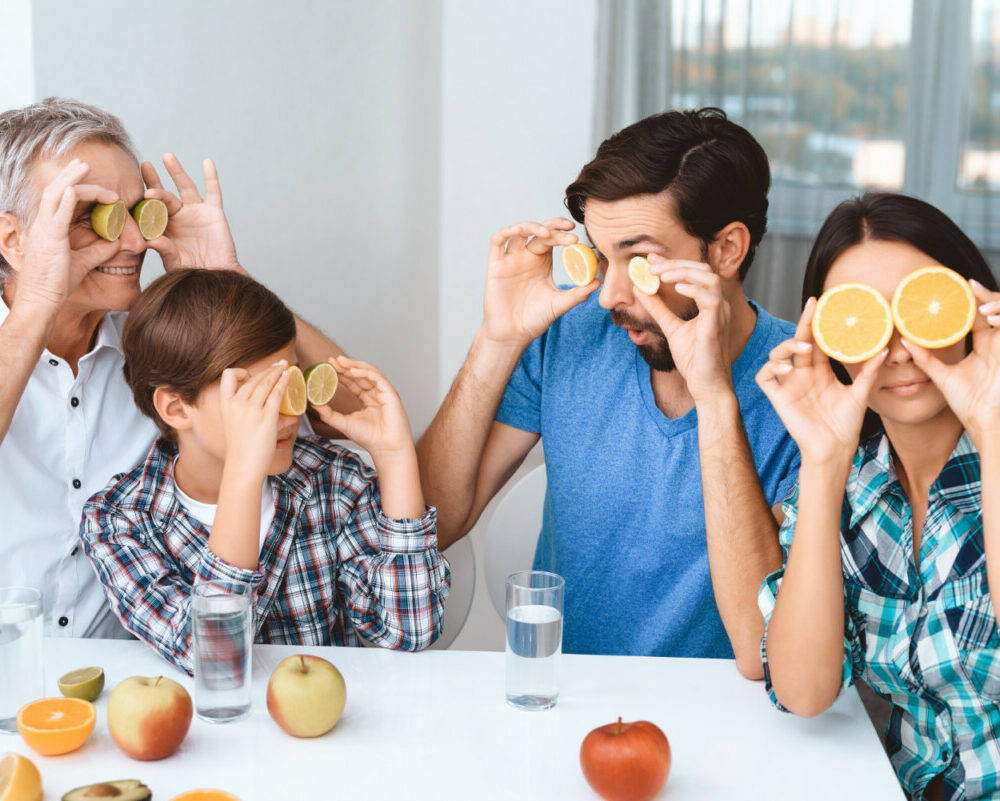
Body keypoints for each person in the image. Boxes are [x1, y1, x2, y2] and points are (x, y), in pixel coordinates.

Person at [417, 108, 800, 675]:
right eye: (601, 255)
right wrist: (498, 339)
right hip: (564, 694)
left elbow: (762, 644)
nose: (608, 294)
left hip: (726, 712)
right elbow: (430, 523)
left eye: (641, 259)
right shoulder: (569, 337)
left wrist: (716, 396)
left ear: (726, 250)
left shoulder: (802, 387)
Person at [0, 97, 352, 638]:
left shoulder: (163, 344)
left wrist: (230, 277)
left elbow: (350, 410)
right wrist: (38, 302)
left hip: (133, 680)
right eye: (91, 217)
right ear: (13, 241)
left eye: (138, 212)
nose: (136, 241)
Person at [79, 269, 449, 674]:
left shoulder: (333, 481)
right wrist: (244, 475)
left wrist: (394, 456)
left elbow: (411, 630)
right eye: (255, 395)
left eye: (291, 384)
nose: (289, 412)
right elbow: (216, 659)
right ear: (176, 408)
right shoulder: (117, 521)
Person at [756, 192, 1000, 801]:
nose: (897, 349)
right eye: (865, 320)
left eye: (920, 309)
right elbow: (804, 692)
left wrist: (993, 428)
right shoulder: (854, 483)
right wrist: (824, 459)